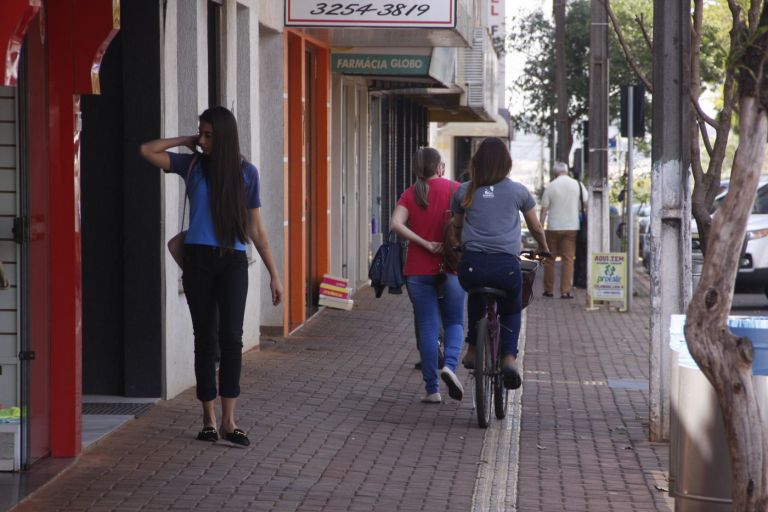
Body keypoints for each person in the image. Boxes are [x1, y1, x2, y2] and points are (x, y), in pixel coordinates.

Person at [140, 106, 283, 446]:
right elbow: (147, 150)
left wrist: (274, 275)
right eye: (200, 134)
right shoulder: (192, 165)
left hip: (233, 261)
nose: (202, 141)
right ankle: (208, 418)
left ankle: (229, 422)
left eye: (208, 135)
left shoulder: (247, 173)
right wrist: (187, 140)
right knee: (205, 338)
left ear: (225, 137)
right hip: (199, 260)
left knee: (231, 339)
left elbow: (257, 230)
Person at [451, 137, 549, 389]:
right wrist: (544, 248)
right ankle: (508, 357)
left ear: (477, 162)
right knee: (512, 307)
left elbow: (456, 226)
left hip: (471, 266)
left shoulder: (464, 190)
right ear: (507, 163)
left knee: (476, 295)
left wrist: (457, 243)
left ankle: (473, 349)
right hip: (505, 267)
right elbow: (535, 227)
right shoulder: (518, 191)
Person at [390, 147, 466, 404]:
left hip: (417, 270)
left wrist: (423, 242)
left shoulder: (410, 194)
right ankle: (451, 367)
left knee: (428, 327)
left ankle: (432, 389)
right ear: (439, 167)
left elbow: (395, 224)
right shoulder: (455, 188)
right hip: (452, 267)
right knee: (455, 322)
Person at [539, 161, 588, 299]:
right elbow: (587, 203)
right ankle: (565, 291)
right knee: (568, 259)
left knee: (549, 259)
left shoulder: (551, 186)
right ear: (567, 171)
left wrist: (540, 229)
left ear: (555, 173)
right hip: (571, 227)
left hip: (553, 228)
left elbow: (544, 210)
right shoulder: (577, 185)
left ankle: (549, 290)